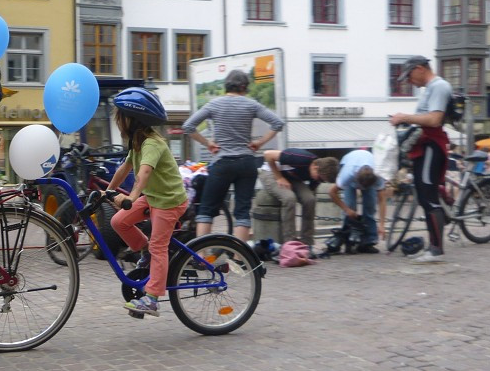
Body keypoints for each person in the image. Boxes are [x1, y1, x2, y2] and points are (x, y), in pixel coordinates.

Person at [105, 88, 188, 318]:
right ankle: (144, 250)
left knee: (158, 246)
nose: (118, 122)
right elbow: (125, 168)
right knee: (119, 221)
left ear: (132, 120)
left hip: (169, 201)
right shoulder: (137, 143)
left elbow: (144, 172)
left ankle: (152, 300)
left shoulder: (152, 144)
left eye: (119, 117)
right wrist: (108, 191)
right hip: (153, 198)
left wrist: (131, 197)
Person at [181, 69, 285, 241]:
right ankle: (239, 258)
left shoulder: (214, 104)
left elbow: (188, 126)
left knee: (206, 209)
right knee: (243, 211)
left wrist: (208, 143)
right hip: (247, 163)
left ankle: (199, 255)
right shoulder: (251, 104)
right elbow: (277, 123)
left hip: (222, 163)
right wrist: (259, 143)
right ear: (244, 87)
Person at [390, 55, 452, 263]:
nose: (409, 82)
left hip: (431, 146)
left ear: (419, 69)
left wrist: (405, 117)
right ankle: (436, 241)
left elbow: (434, 119)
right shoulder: (432, 88)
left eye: (409, 76)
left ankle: (436, 249)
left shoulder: (439, 86)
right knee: (425, 194)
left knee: (427, 196)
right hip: (425, 146)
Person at [257, 149, 340, 247]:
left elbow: (309, 194)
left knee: (310, 200)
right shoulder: (300, 158)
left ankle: (307, 242)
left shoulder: (318, 175)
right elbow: (268, 154)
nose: (319, 181)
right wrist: (279, 177)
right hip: (271, 172)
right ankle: (290, 242)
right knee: (289, 198)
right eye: (319, 178)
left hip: (291, 177)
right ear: (315, 167)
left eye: (322, 180)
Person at [328, 149, 388, 251]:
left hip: (367, 169)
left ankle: (368, 242)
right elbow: (332, 192)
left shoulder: (378, 176)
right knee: (350, 206)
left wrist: (382, 225)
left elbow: (382, 200)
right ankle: (348, 240)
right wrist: (346, 209)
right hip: (349, 162)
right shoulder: (347, 174)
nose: (361, 189)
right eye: (360, 187)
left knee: (370, 207)